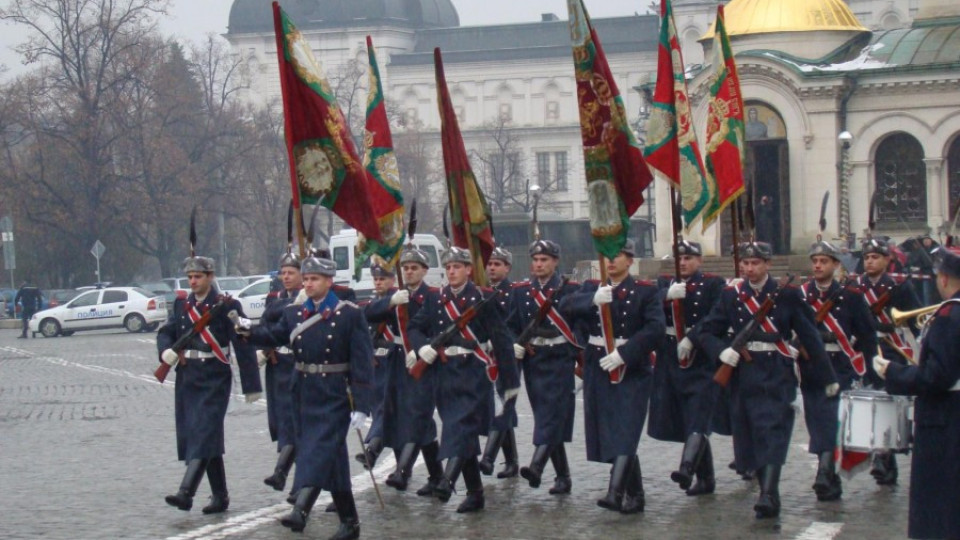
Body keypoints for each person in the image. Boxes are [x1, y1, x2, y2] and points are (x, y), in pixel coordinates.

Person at [697, 241, 837, 519]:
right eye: (746, 264)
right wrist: (721, 350)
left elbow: (809, 335)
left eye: (756, 263)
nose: (750, 268)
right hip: (743, 373)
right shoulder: (731, 295)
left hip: (777, 371)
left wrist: (826, 377)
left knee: (772, 429)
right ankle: (764, 487)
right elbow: (706, 330)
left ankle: (769, 494)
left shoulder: (788, 295)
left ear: (768, 264)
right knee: (749, 432)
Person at [241, 255, 374, 538]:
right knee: (332, 459)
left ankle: (300, 510)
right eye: (307, 278)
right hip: (303, 391)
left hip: (335, 392)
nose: (309, 283)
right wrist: (246, 332)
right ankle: (350, 523)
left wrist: (362, 405)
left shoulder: (349, 313)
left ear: (329, 282)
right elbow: (274, 334)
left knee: (316, 450)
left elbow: (362, 362)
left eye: (315, 279)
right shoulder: (294, 313)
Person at [406, 246, 520, 513]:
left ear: (469, 269)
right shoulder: (437, 299)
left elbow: (502, 340)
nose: (451, 271)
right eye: (447, 268)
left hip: (474, 372)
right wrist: (421, 346)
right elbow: (414, 326)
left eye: (457, 266)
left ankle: (447, 481)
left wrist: (510, 382)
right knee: (461, 430)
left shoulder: (484, 299)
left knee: (460, 426)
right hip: (445, 373)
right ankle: (475, 493)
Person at [560, 239, 664, 513]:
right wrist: (591, 300)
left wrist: (625, 353)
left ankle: (615, 492)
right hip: (598, 366)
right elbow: (565, 307)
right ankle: (636, 494)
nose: (611, 260)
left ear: (630, 260)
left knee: (626, 427)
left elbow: (655, 330)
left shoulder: (645, 292)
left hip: (632, 368)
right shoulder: (591, 288)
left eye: (618, 255)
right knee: (611, 431)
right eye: (607, 255)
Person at [157, 254, 262, 515]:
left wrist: (251, 384)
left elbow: (242, 342)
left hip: (215, 375)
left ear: (210, 277)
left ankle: (186, 492)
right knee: (200, 433)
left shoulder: (227, 305)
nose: (193, 281)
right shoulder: (182, 305)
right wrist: (165, 351)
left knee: (204, 430)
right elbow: (166, 332)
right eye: (190, 277)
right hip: (188, 375)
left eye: (198, 277)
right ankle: (220, 496)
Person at [875, 244, 960, 539]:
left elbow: (936, 377)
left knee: (940, 507)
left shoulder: (949, 316)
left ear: (945, 279)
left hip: (946, 420)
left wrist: (893, 372)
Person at [799, 240, 877, 501]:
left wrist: (871, 370)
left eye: (824, 261)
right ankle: (829, 476)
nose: (818, 266)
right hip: (811, 367)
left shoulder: (851, 296)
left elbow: (867, 334)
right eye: (815, 261)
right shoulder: (802, 294)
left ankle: (824, 471)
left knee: (832, 418)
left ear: (835, 264)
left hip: (841, 366)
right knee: (816, 419)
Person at [363, 245, 443, 493]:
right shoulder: (397, 295)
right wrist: (390, 302)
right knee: (408, 415)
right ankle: (436, 476)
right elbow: (367, 314)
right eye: (406, 268)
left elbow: (440, 327)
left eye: (414, 268)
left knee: (418, 413)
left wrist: (425, 349)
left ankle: (403, 471)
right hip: (398, 360)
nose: (409, 272)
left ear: (424, 270)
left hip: (426, 361)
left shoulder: (433, 295)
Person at [648, 240, 725, 496]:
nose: (683, 263)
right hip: (671, 357)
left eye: (689, 258)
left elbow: (717, 316)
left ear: (699, 260)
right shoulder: (665, 284)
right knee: (687, 416)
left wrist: (693, 337)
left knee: (699, 414)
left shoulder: (713, 284)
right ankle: (706, 479)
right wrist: (667, 296)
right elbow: (648, 307)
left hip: (701, 357)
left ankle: (687, 467)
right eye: (679, 259)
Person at [510, 239, 580, 496]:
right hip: (534, 359)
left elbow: (580, 325)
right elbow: (510, 325)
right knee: (546, 416)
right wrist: (515, 344)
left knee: (552, 415)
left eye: (544, 260)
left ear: (555, 262)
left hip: (560, 358)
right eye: (536, 260)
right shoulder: (521, 291)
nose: (539, 265)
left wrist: (576, 351)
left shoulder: (569, 289)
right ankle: (563, 477)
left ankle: (537, 465)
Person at [856, 237, 921, 485]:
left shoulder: (898, 286)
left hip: (892, 347)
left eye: (875, 257)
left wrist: (923, 342)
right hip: (866, 348)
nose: (870, 262)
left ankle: (886, 454)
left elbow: (914, 319)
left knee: (892, 399)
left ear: (887, 260)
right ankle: (883, 456)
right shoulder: (856, 286)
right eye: (867, 258)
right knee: (874, 400)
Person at [260, 250, 303, 495]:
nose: (286, 277)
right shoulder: (274, 298)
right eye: (283, 273)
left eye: (291, 272)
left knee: (293, 424)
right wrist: (265, 348)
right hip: (279, 365)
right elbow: (266, 324)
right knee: (283, 422)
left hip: (298, 365)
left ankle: (282, 473)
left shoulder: (308, 296)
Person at [478, 246, 520, 479]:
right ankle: (512, 461)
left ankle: (488, 458)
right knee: (501, 405)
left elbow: (516, 324)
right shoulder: (482, 291)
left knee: (503, 403)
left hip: (507, 355)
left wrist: (508, 342)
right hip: (486, 356)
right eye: (490, 263)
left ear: (507, 268)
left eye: (497, 264)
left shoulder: (513, 293)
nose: (492, 268)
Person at [354, 260, 396, 469]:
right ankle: (403, 469)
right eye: (376, 279)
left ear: (393, 280)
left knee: (385, 408)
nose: (378, 282)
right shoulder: (373, 302)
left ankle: (372, 451)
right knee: (382, 408)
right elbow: (364, 315)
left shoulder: (398, 299)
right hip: (375, 363)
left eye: (383, 279)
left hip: (394, 360)